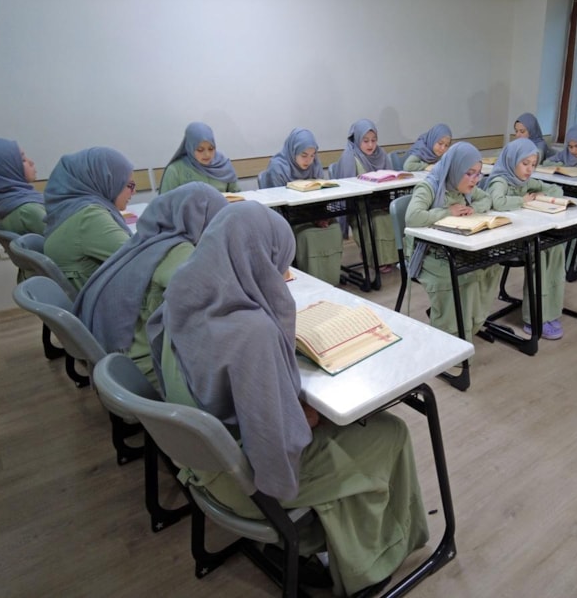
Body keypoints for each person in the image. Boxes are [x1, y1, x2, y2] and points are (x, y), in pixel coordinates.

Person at [147, 201, 428, 597]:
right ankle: (370, 558)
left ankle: (340, 542)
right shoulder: (251, 333)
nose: (284, 275)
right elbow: (278, 449)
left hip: (202, 463)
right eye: (278, 263)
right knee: (390, 432)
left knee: (342, 426)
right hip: (246, 482)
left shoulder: (184, 290)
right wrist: (308, 416)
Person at [73, 182, 228, 388]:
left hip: (122, 361)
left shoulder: (147, 241)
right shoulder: (177, 252)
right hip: (148, 370)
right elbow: (219, 296)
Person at [405, 142, 502, 341]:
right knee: (463, 277)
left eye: (478, 174)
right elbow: (412, 217)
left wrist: (473, 209)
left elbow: (486, 199)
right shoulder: (429, 187)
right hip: (427, 255)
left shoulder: (465, 188)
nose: (475, 179)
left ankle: (469, 325)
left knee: (490, 267)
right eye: (470, 173)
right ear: (454, 169)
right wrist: (447, 212)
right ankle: (449, 334)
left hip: (455, 249)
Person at [485, 138, 566, 340]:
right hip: (503, 240)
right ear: (512, 161)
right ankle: (534, 318)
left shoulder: (525, 181)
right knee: (540, 253)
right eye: (525, 163)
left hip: (524, 234)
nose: (530, 169)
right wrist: (522, 201)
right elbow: (497, 201)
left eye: (533, 164)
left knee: (555, 248)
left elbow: (556, 189)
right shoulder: (500, 180)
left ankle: (548, 312)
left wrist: (539, 193)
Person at [258, 128, 343, 285]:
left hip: (313, 215)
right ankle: (310, 280)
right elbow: (279, 204)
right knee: (308, 235)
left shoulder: (315, 164)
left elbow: (321, 195)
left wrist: (322, 217)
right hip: (288, 219)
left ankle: (329, 278)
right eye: (304, 155)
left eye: (312, 155)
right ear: (293, 151)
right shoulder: (278, 167)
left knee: (334, 228)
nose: (309, 160)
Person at [43, 147, 135, 290]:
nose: (134, 192)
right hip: (103, 298)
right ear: (106, 181)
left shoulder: (70, 208)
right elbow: (138, 257)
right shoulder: (89, 217)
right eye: (129, 185)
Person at [331, 118, 397, 273]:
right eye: (365, 141)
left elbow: (392, 179)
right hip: (359, 207)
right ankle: (375, 258)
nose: (370, 145)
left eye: (374, 140)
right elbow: (346, 190)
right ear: (357, 139)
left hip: (380, 203)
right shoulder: (349, 157)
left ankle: (390, 257)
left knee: (392, 215)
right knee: (377, 220)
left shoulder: (381, 154)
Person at [0, 138, 46, 235]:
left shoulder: (5, 204)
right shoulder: (28, 210)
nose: (31, 162)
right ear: (3, 170)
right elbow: (64, 241)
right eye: (23, 160)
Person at [159, 122, 240, 194]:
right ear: (190, 148)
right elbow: (165, 202)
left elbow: (238, 195)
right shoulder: (175, 170)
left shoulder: (224, 165)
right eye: (200, 150)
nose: (207, 154)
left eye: (211, 149)